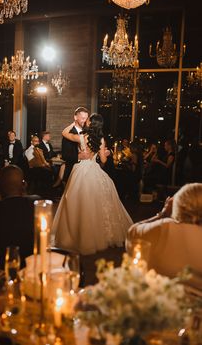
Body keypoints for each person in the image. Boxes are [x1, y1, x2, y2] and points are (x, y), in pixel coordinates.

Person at [52, 113, 133, 255]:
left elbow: (64, 133)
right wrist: (106, 153)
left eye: (88, 120)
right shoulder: (100, 139)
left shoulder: (82, 137)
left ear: (91, 123)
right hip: (94, 169)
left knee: (76, 201)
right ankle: (99, 235)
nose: (86, 121)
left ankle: (77, 234)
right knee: (97, 203)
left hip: (80, 170)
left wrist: (74, 122)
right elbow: (102, 161)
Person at [126, 183, 202, 289]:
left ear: (180, 203)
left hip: (161, 300)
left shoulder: (166, 226)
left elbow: (132, 233)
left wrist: (163, 213)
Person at [61, 106, 89, 183]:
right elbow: (65, 155)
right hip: (72, 172)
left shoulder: (88, 132)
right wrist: (78, 156)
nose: (85, 121)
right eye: (83, 118)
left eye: (86, 118)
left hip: (87, 172)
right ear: (75, 117)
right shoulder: (68, 133)